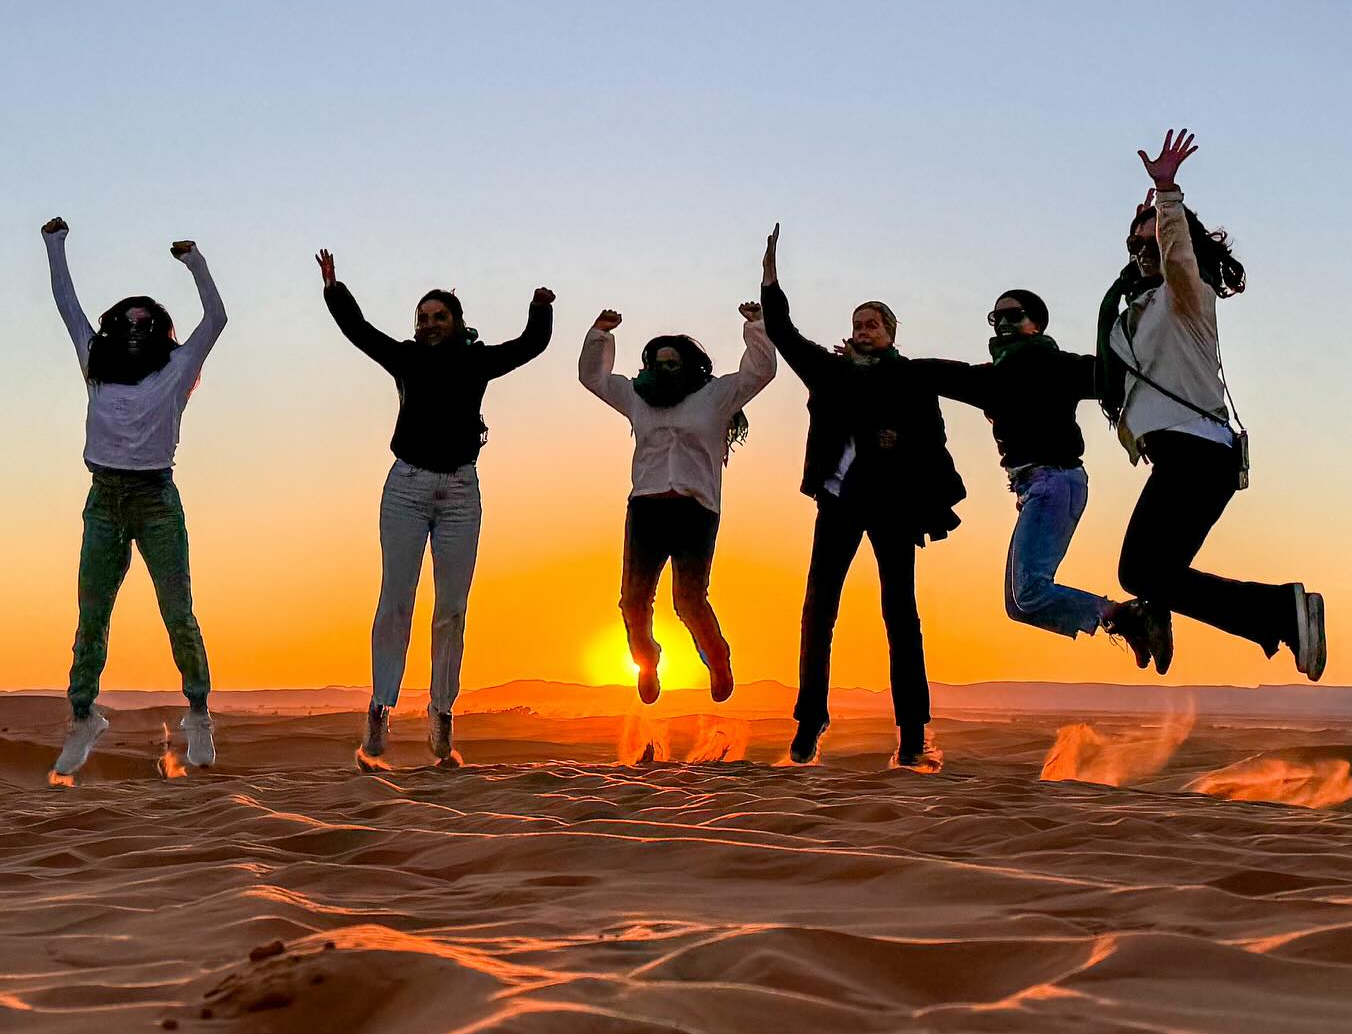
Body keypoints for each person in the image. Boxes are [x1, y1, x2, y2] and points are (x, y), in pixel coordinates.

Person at [1096, 129, 1325, 679]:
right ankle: (1263, 614)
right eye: (1136, 245)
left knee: (1140, 569)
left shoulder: (1186, 295)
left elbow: (1176, 256)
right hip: (1188, 456)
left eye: (1152, 244)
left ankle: (1280, 610)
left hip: (1195, 454)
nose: (1145, 252)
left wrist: (1168, 197)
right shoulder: (1138, 316)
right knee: (1154, 572)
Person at [317, 251, 554, 766]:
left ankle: (441, 711)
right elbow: (360, 331)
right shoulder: (405, 357)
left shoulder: (478, 361)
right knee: (395, 603)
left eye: (438, 317)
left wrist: (540, 307)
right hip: (405, 486)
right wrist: (335, 289)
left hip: (460, 493)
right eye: (422, 318)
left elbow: (532, 345)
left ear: (456, 321)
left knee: (451, 610)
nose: (428, 325)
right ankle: (380, 706)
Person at [760, 224, 965, 769]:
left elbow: (934, 442)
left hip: (894, 505)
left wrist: (931, 502)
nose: (863, 330)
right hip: (839, 501)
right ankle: (809, 722)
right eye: (857, 324)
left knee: (901, 614)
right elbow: (784, 333)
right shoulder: (830, 372)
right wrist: (771, 280)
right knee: (818, 609)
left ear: (892, 332)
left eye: (873, 324)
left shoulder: (912, 378)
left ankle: (913, 734)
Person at [41, 217, 226, 779]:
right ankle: (82, 717)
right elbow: (66, 304)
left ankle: (198, 712)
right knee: (91, 616)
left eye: (147, 320)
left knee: (178, 613)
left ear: (161, 330)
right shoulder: (95, 362)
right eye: (129, 319)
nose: (136, 327)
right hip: (104, 499)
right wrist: (54, 243)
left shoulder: (176, 368)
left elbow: (216, 319)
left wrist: (195, 261)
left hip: (154, 498)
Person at [913, 293, 1168, 666]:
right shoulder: (999, 376)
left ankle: (1130, 615)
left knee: (1029, 592)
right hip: (1040, 487)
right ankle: (1127, 620)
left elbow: (1111, 377)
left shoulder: (1047, 364)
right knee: (1018, 605)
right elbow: (943, 375)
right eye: (994, 317)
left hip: (1055, 482)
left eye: (1011, 315)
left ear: (1036, 322)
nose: (1001, 323)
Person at [580, 302, 776, 706]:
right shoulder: (638, 396)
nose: (665, 369)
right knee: (633, 600)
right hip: (646, 508)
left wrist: (756, 326)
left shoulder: (714, 396)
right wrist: (600, 334)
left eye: (673, 362)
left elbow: (760, 373)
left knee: (688, 599)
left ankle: (718, 660)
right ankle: (646, 661)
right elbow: (594, 379)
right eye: (657, 362)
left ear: (690, 365)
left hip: (695, 509)